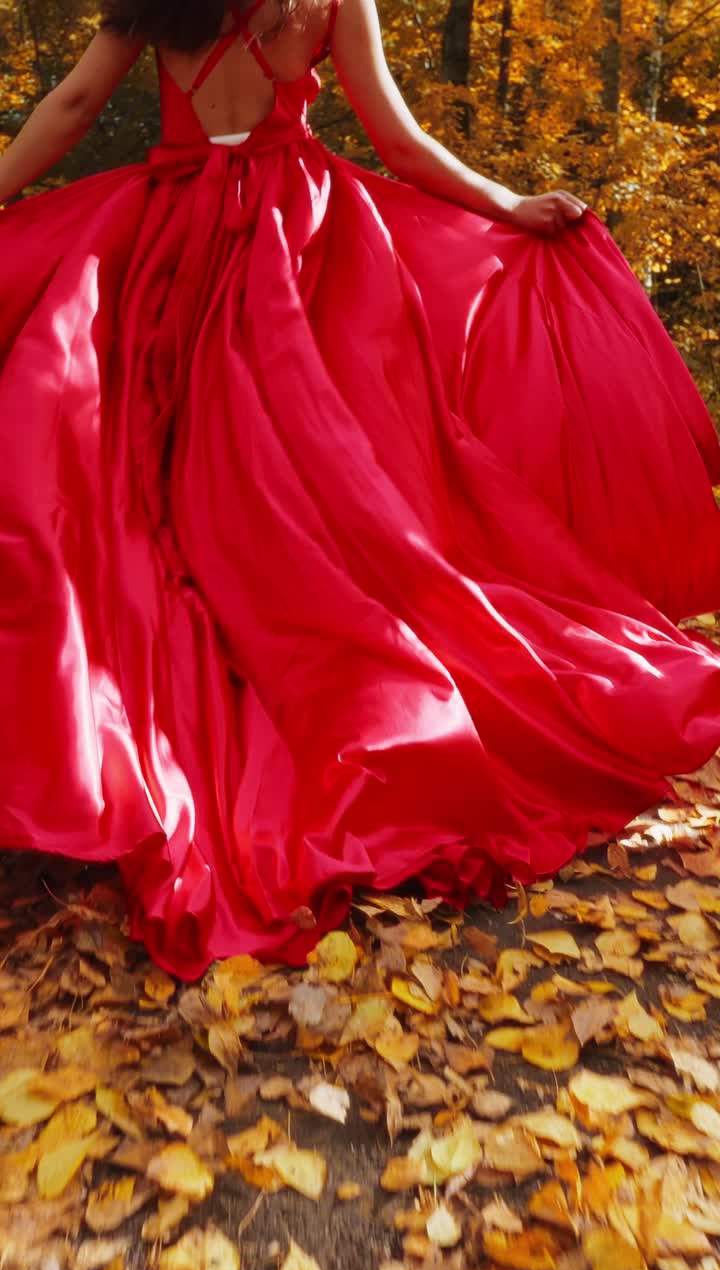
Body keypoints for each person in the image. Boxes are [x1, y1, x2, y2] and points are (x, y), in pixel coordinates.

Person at [0, 0, 719, 981]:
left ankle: (152, 689)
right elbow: (401, 144)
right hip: (293, 254)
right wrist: (508, 207)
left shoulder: (158, 0)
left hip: (171, 244)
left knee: (154, 483)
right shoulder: (330, 1)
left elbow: (76, 102)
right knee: (322, 490)